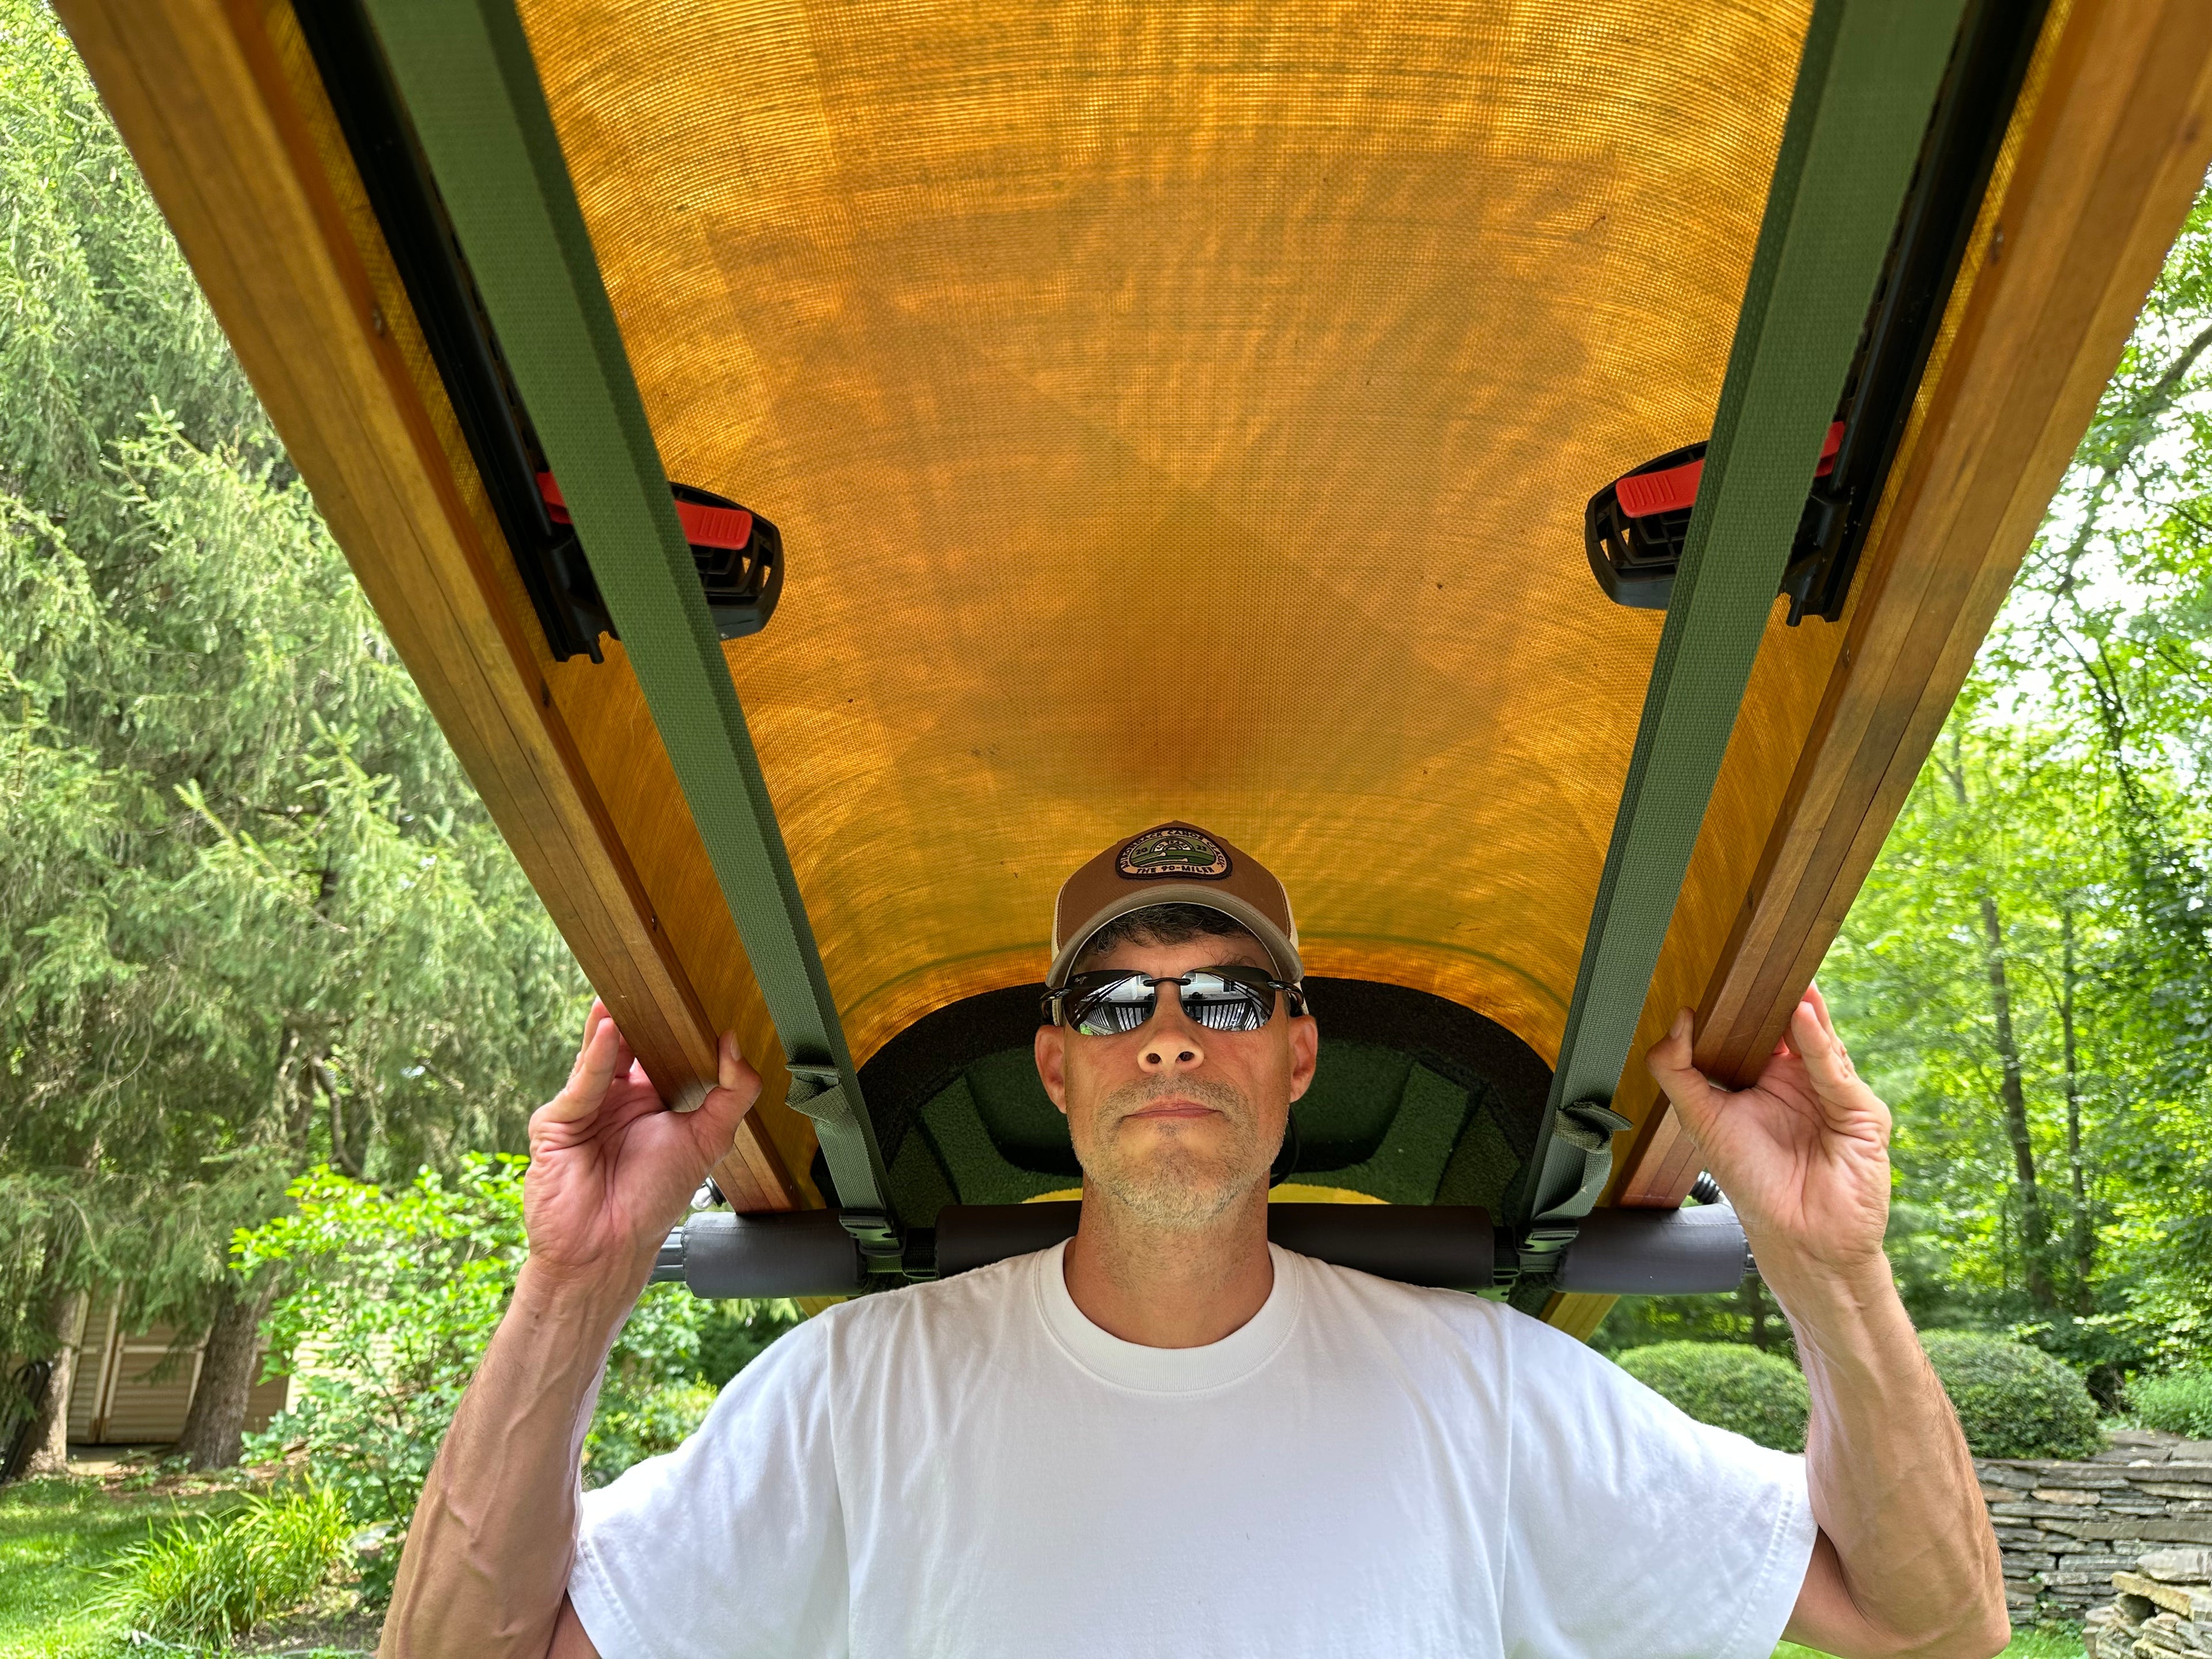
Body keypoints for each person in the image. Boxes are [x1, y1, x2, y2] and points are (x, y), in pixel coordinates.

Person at [379, 821, 2008, 1659]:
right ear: (1058, 1064)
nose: (1168, 1031)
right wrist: (574, 1282)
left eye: (1224, 994)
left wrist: (1833, 1270)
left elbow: (1931, 1620)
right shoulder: (855, 1391)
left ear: (1297, 1055)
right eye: (1115, 1000)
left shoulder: (1490, 1389)